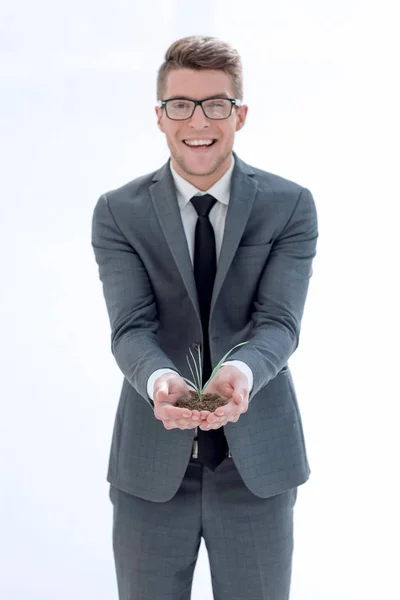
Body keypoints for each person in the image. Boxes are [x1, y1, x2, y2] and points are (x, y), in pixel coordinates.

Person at [91, 35, 318, 600]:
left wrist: (240, 374)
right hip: (151, 468)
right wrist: (160, 381)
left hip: (257, 468)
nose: (199, 120)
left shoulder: (290, 206)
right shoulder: (118, 213)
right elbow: (130, 328)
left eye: (216, 104)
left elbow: (279, 324)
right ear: (160, 117)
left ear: (239, 114)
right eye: (181, 105)